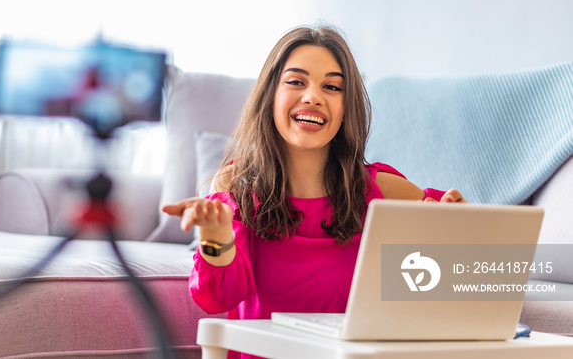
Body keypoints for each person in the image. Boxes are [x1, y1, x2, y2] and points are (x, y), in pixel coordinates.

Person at [163, 25, 466, 357]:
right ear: (270, 95)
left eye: (332, 87)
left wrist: (455, 226)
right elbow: (215, 299)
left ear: (346, 107)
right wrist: (217, 236)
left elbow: (451, 268)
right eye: (296, 82)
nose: (312, 96)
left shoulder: (381, 189)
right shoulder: (237, 186)